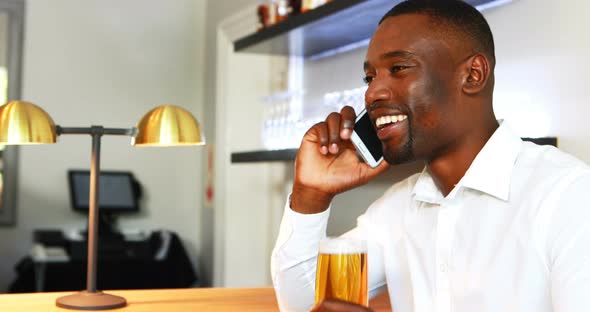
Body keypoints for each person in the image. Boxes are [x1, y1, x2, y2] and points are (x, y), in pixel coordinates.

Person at [270, 0, 590, 311]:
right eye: (370, 77)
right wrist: (310, 194)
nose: (373, 93)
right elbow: (307, 305)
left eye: (398, 68)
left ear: (472, 75)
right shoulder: (396, 209)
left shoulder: (568, 196)